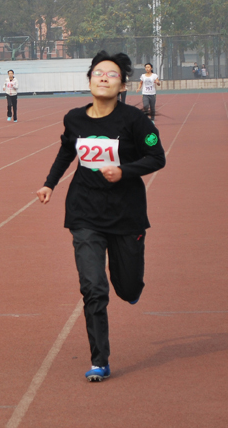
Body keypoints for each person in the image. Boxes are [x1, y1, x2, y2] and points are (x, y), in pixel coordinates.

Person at [36, 51, 166, 382]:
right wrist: (50, 183)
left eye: (112, 74)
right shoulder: (74, 119)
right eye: (98, 73)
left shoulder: (135, 120)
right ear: (89, 81)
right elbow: (66, 151)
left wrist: (124, 171)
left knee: (127, 287)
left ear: (122, 85)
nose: (104, 77)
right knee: (93, 287)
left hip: (126, 214)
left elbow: (156, 157)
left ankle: (131, 287)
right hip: (84, 212)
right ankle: (100, 360)